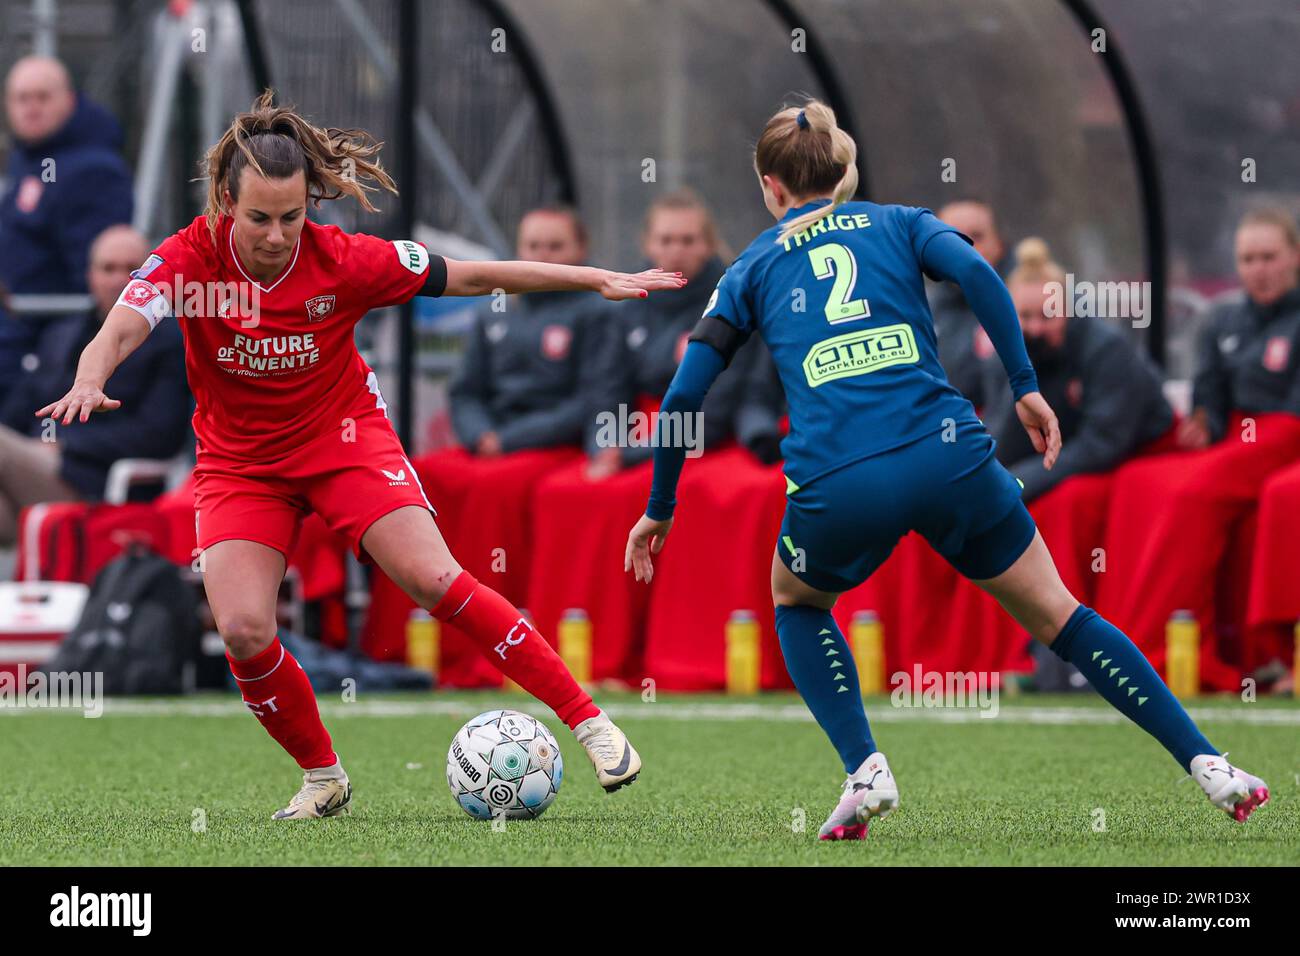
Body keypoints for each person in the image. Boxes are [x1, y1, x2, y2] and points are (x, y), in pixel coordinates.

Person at [623, 99, 1270, 841]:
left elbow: (681, 395)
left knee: (797, 603)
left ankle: (865, 769)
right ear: (841, 171)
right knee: (1062, 615)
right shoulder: (901, 221)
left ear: (770, 187)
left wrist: (662, 503)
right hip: (948, 456)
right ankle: (1210, 765)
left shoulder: (752, 268)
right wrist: (1025, 385)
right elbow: (979, 274)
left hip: (840, 481)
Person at [38, 92, 683, 819]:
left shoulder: (344, 259)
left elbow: (471, 274)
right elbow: (122, 325)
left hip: (343, 441)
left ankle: (590, 723)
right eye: (259, 218)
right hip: (241, 465)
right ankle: (323, 777)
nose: (279, 234)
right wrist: (90, 379)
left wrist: (591, 279)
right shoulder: (189, 257)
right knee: (245, 630)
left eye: (292, 216)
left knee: (435, 579)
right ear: (226, 202)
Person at [1096, 208, 1300, 691]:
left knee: (1190, 492)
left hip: (1285, 435)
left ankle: (1179, 648)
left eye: (1269, 256)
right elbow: (1209, 400)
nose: (1259, 268)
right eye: (1248, 258)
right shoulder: (1222, 318)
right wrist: (1205, 418)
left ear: (1293, 256)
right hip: (1235, 438)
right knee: (1135, 479)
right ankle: (1118, 643)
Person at [0, 225, 189, 544]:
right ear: (90, 275)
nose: (118, 279)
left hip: (97, 481)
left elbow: (158, 435)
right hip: (34, 471)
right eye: (108, 268)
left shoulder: (170, 342)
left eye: (131, 269)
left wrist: (64, 444)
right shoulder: (61, 334)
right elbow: (21, 407)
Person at [982, 237, 1173, 501]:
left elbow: (1102, 444)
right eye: (1024, 317)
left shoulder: (1106, 350)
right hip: (1067, 452)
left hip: (1140, 450)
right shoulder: (1004, 356)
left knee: (1066, 499)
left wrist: (1019, 482)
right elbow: (1001, 432)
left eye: (1047, 316)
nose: (1035, 328)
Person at [0, 56, 134, 402]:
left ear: (69, 101)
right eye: (21, 98)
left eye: (42, 97)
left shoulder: (94, 171)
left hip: (40, 332)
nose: (31, 108)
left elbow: (93, 283)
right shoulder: (28, 159)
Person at [928, 199, 1009, 407]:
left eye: (977, 236)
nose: (965, 247)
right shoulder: (920, 310)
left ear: (999, 244)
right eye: (952, 237)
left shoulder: (1030, 306)